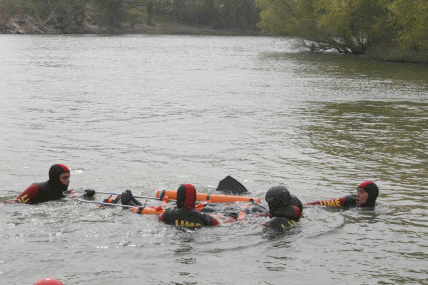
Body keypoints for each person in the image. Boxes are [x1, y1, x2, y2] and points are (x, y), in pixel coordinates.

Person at [4, 164, 71, 204]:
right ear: (55, 178)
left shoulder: (66, 193)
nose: (68, 181)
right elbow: (14, 203)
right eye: (65, 178)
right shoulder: (35, 189)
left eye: (68, 177)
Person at [304, 181, 379, 209]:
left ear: (371, 196)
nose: (357, 195)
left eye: (361, 192)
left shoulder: (377, 209)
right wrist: (302, 206)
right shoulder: (347, 200)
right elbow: (321, 203)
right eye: (357, 192)